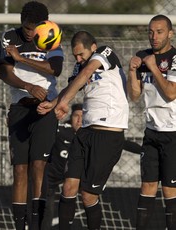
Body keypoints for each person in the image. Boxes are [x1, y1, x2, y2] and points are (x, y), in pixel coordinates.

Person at [37, 30, 129, 230]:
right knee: (69, 188)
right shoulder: (81, 66)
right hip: (85, 131)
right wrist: (54, 103)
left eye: (81, 54)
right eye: (75, 56)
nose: (78, 59)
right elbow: (71, 86)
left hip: (108, 132)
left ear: (93, 47)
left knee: (88, 196)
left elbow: (86, 74)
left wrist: (65, 103)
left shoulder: (105, 52)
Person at [0, 1, 64, 229]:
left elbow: (56, 69)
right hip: (19, 108)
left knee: (39, 167)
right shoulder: (9, 37)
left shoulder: (52, 36)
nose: (29, 33)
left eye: (33, 28)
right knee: (19, 169)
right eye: (26, 27)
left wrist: (22, 59)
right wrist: (28, 86)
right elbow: (6, 73)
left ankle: (36, 223)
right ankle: (19, 225)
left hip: (45, 109)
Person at [128, 14, 176, 230]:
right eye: (150, 31)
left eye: (159, 32)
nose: (153, 36)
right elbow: (135, 95)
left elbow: (171, 93)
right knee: (147, 185)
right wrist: (132, 71)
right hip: (151, 131)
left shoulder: (175, 58)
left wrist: (153, 67)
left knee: (169, 189)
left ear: (170, 33)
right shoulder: (142, 56)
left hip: (173, 133)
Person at [41, 103, 83, 230]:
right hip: (54, 175)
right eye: (76, 116)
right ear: (71, 117)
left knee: (86, 197)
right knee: (45, 203)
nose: (79, 120)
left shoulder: (91, 135)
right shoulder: (61, 130)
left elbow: (121, 143)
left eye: (83, 116)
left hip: (76, 177)